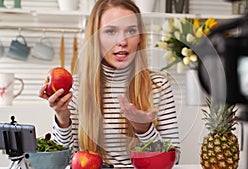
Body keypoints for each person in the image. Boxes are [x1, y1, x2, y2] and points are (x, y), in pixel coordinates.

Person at [38, 0, 180, 167]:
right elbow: (61, 162)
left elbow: (174, 158)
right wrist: (63, 119)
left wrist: (144, 129)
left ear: (140, 37)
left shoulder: (159, 86)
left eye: (131, 31)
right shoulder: (76, 87)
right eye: (111, 31)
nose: (122, 41)